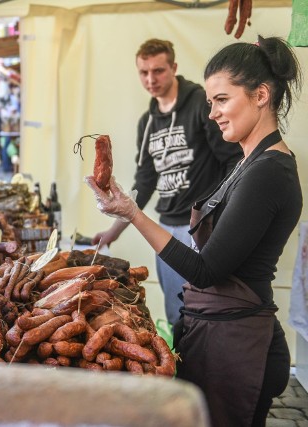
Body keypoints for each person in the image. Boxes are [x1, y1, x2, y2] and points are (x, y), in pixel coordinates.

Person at [86, 35, 302, 427]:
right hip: (220, 338)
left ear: (260, 95)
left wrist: (132, 213)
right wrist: (123, 214)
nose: (213, 113)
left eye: (222, 99)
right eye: (210, 102)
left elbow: (207, 270)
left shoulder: (269, 171)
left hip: (241, 351)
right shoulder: (247, 161)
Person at [91, 39, 242, 327]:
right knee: (177, 312)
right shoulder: (147, 122)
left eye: (158, 70)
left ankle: (204, 371)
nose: (151, 79)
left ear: (173, 67)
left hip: (201, 227)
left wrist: (220, 216)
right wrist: (114, 231)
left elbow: (232, 160)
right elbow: (145, 182)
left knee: (206, 309)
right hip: (165, 228)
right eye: (144, 72)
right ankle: (182, 369)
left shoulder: (200, 104)